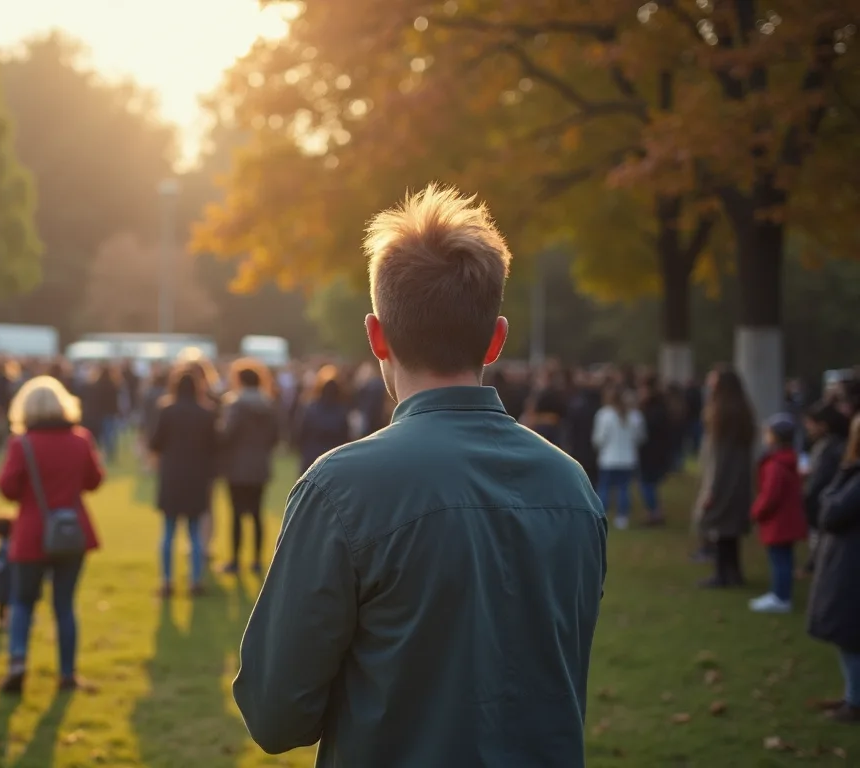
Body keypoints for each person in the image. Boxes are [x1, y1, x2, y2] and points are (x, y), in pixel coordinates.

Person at [233, 185, 606, 766]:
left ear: (376, 336)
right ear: (496, 338)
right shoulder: (571, 486)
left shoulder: (342, 489)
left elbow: (275, 712)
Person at [0, 376, 104, 694]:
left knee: (23, 602)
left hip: (31, 532)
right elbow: (94, 481)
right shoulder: (80, 439)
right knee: (65, 605)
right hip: (71, 532)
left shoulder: (22, 444)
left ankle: (18, 662)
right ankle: (67, 673)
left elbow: (7, 488)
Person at [806, 413, 860, 723]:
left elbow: (830, 511)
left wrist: (842, 472)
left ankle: (855, 701)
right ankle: (852, 694)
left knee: (849, 635)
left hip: (852, 565)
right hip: (849, 561)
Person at [149, 367, 218, 598]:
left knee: (168, 531)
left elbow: (156, 443)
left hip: (172, 476)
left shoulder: (167, 411)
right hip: (196, 477)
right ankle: (195, 580)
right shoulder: (206, 413)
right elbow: (214, 445)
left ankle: (166, 580)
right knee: (194, 532)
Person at [694, 367, 757, 588]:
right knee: (730, 528)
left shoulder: (721, 413)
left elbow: (718, 457)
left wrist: (712, 487)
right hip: (738, 478)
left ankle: (722, 574)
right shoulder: (742, 413)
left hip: (722, 478)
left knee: (719, 525)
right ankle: (733, 572)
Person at [219, 359, 281, 575]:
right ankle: (256, 560)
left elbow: (227, 434)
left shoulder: (235, 405)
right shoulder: (269, 405)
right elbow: (275, 437)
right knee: (256, 514)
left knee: (236, 514)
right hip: (260, 466)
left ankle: (235, 560)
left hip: (236, 466)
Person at [748, 414, 808, 613]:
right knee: (784, 558)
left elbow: (770, 496)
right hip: (787, 519)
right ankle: (781, 594)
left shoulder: (776, 465)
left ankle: (780, 597)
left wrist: (756, 511)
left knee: (779, 559)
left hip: (779, 521)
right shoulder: (788, 461)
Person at [592, 384, 646, 530]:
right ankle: (622, 517)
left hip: (608, 458)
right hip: (628, 459)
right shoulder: (635, 416)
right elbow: (640, 437)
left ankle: (600, 515)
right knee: (623, 488)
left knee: (604, 488)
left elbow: (599, 438)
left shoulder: (604, 415)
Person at [803, 402, 849, 574]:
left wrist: (809, 500)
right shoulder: (837, 446)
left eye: (810, 424)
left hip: (823, 505)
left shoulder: (828, 448)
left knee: (822, 543)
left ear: (823, 425)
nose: (808, 429)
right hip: (827, 503)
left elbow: (820, 480)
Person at [294, 365, 350, 472]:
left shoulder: (311, 409)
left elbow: (301, 432)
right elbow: (346, 437)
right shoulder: (342, 412)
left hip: (311, 458)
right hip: (333, 460)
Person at [636, 377, 674, 525]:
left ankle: (653, 514)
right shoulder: (660, 408)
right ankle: (656, 511)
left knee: (647, 483)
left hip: (651, 453)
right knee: (650, 484)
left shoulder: (653, 412)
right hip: (655, 453)